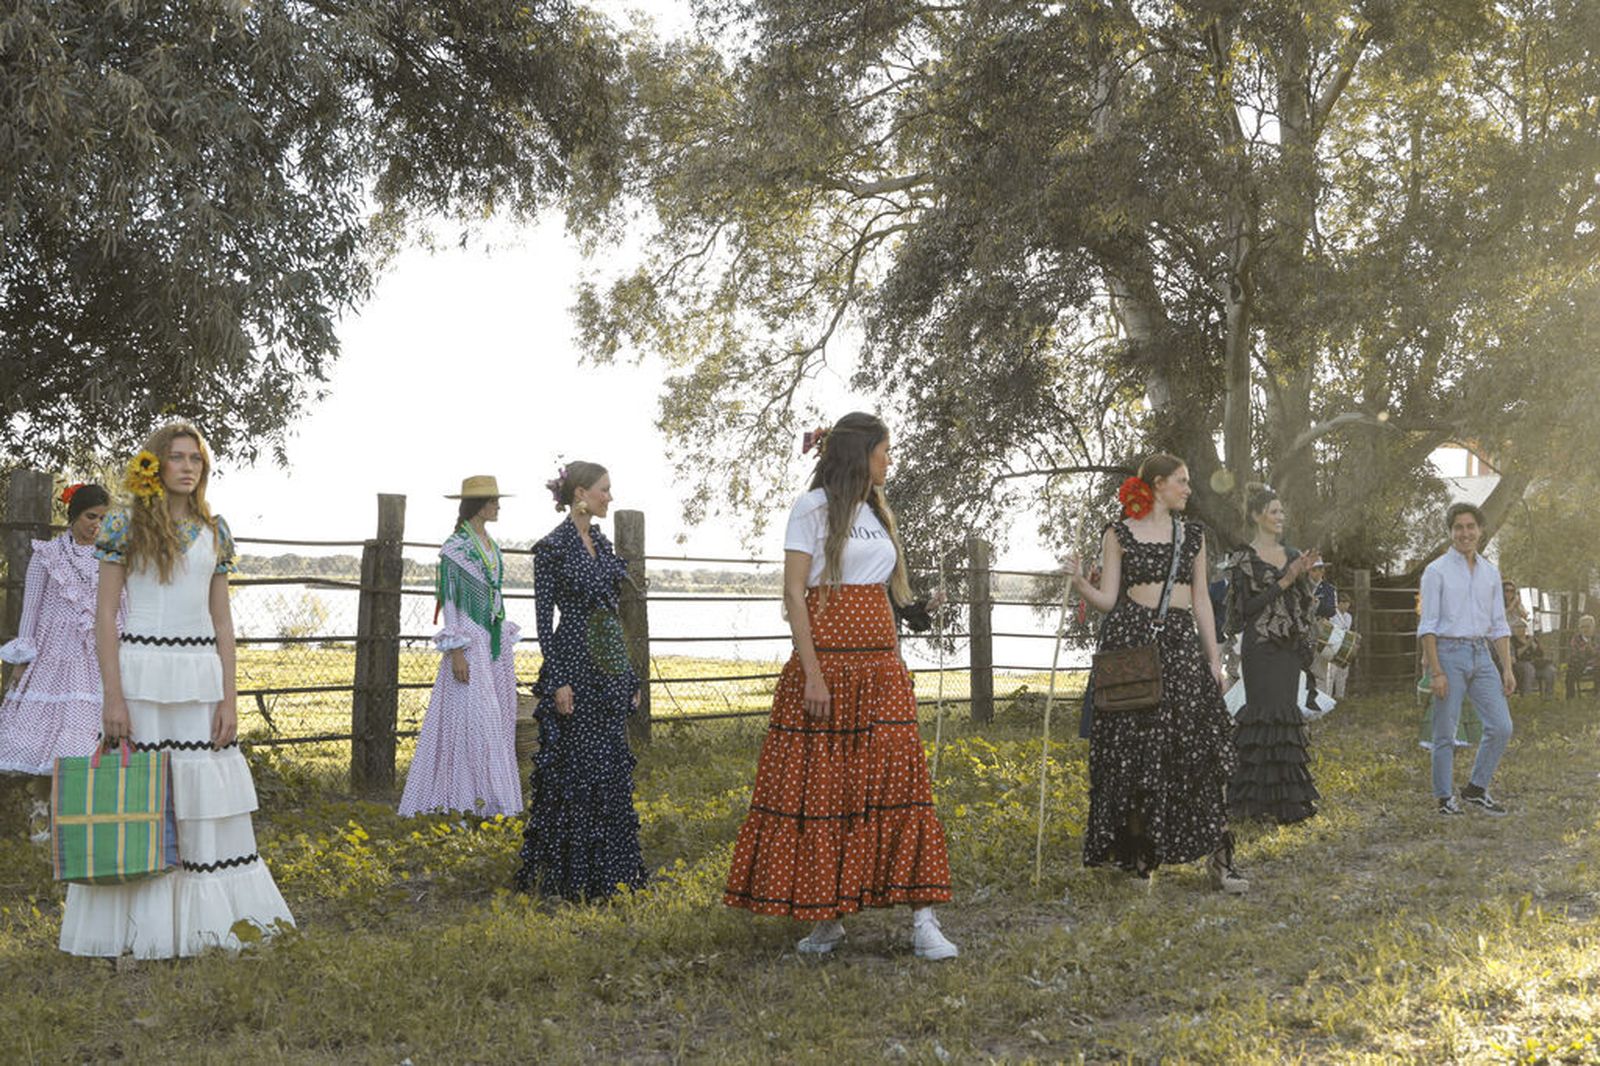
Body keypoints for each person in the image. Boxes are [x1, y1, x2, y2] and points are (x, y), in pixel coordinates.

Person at [723, 413, 958, 959]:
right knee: (825, 792)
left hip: (880, 670)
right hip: (828, 667)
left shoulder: (876, 511)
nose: (889, 460)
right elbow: (795, 594)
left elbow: (880, 590)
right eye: (884, 451)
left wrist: (913, 617)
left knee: (900, 787)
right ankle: (826, 919)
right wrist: (812, 674)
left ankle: (923, 920)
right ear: (860, 454)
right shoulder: (812, 508)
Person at [60, 422, 293, 957]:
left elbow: (223, 622)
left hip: (200, 678)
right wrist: (112, 697)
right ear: (156, 465)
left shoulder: (216, 531)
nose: (188, 467)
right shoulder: (123, 526)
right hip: (141, 676)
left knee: (201, 797)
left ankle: (208, 926)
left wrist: (230, 698)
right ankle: (139, 929)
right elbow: (104, 617)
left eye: (196, 459)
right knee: (143, 794)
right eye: (178, 457)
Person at [1065, 454, 1246, 893]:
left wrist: (1215, 660)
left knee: (1199, 747)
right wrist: (1080, 583)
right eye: (1182, 481)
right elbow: (1109, 599)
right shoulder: (1118, 533)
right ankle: (1141, 861)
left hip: (1182, 647)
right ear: (1159, 484)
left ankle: (1220, 861)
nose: (1188, 489)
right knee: (1135, 752)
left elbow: (1201, 601)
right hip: (1132, 646)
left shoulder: (1193, 535)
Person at [513, 461, 647, 901]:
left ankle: (613, 873)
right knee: (575, 768)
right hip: (573, 662)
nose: (610, 497)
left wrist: (628, 674)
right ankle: (570, 875)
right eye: (604, 489)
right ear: (580, 494)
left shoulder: (603, 546)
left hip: (608, 666)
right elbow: (542, 622)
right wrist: (558, 680)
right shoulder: (552, 548)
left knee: (610, 766)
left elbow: (611, 614)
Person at [398, 477, 523, 818]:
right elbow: (450, 601)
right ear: (479, 505)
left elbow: (495, 593)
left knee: (496, 718)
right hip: (469, 642)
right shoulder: (455, 548)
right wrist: (456, 650)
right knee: (471, 720)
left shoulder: (490, 544)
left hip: (491, 639)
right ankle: (461, 799)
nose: (498, 506)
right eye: (493, 501)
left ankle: (492, 799)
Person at [0, 484, 112, 840]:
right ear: (73, 515)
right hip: (52, 654)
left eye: (103, 519)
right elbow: (31, 610)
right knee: (43, 735)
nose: (96, 525)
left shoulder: (110, 556)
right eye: (90, 517)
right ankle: (40, 812)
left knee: (82, 736)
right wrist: (22, 659)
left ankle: (77, 818)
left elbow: (119, 608)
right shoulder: (47, 554)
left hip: (92, 656)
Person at [1221, 484, 1320, 825]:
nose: (1281, 516)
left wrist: (1305, 578)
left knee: (1285, 716)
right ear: (1256, 515)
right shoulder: (1243, 558)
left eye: (1282, 511)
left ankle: (1286, 802)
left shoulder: (1292, 553)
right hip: (1260, 647)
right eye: (1274, 511)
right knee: (1261, 717)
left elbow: (1302, 604)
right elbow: (1246, 610)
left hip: (1287, 648)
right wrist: (1285, 580)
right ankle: (1253, 802)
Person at [1417, 502, 1514, 815]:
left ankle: (1476, 789)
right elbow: (1427, 625)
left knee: (1501, 726)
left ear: (1480, 530)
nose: (1465, 533)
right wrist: (1436, 671)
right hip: (1448, 654)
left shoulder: (1490, 572)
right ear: (1450, 532)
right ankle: (1445, 798)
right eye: (1458, 527)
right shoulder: (1436, 572)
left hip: (1481, 654)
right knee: (1445, 731)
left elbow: (1499, 624)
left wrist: (1507, 668)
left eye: (1471, 526)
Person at [1509, 619, 1556, 701]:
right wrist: (1527, 645)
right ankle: (1527, 697)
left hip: (1535, 664)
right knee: (1529, 668)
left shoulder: (1530, 638)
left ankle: (1549, 697)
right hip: (1520, 665)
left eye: (1521, 627)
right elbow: (1515, 655)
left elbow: (1540, 654)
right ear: (1513, 629)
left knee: (1550, 670)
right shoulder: (1511, 640)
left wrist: (1534, 645)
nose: (1519, 629)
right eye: (1517, 627)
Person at [1325, 591, 1355, 699]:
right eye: (1344, 603)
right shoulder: (1332, 615)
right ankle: (1328, 696)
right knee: (1331, 672)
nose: (1347, 606)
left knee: (1343, 672)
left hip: (1344, 645)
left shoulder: (1349, 617)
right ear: (1339, 603)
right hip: (1333, 644)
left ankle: (1340, 696)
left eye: (1348, 603)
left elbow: (1347, 630)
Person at [1566, 615, 1599, 699]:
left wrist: (1592, 650)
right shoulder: (1576, 639)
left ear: (1593, 628)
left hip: (1595, 665)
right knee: (1570, 673)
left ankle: (1596, 695)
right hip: (1580, 664)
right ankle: (1570, 698)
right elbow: (1574, 652)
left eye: (1588, 627)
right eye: (1582, 627)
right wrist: (1585, 649)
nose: (1585, 629)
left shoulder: (1597, 639)